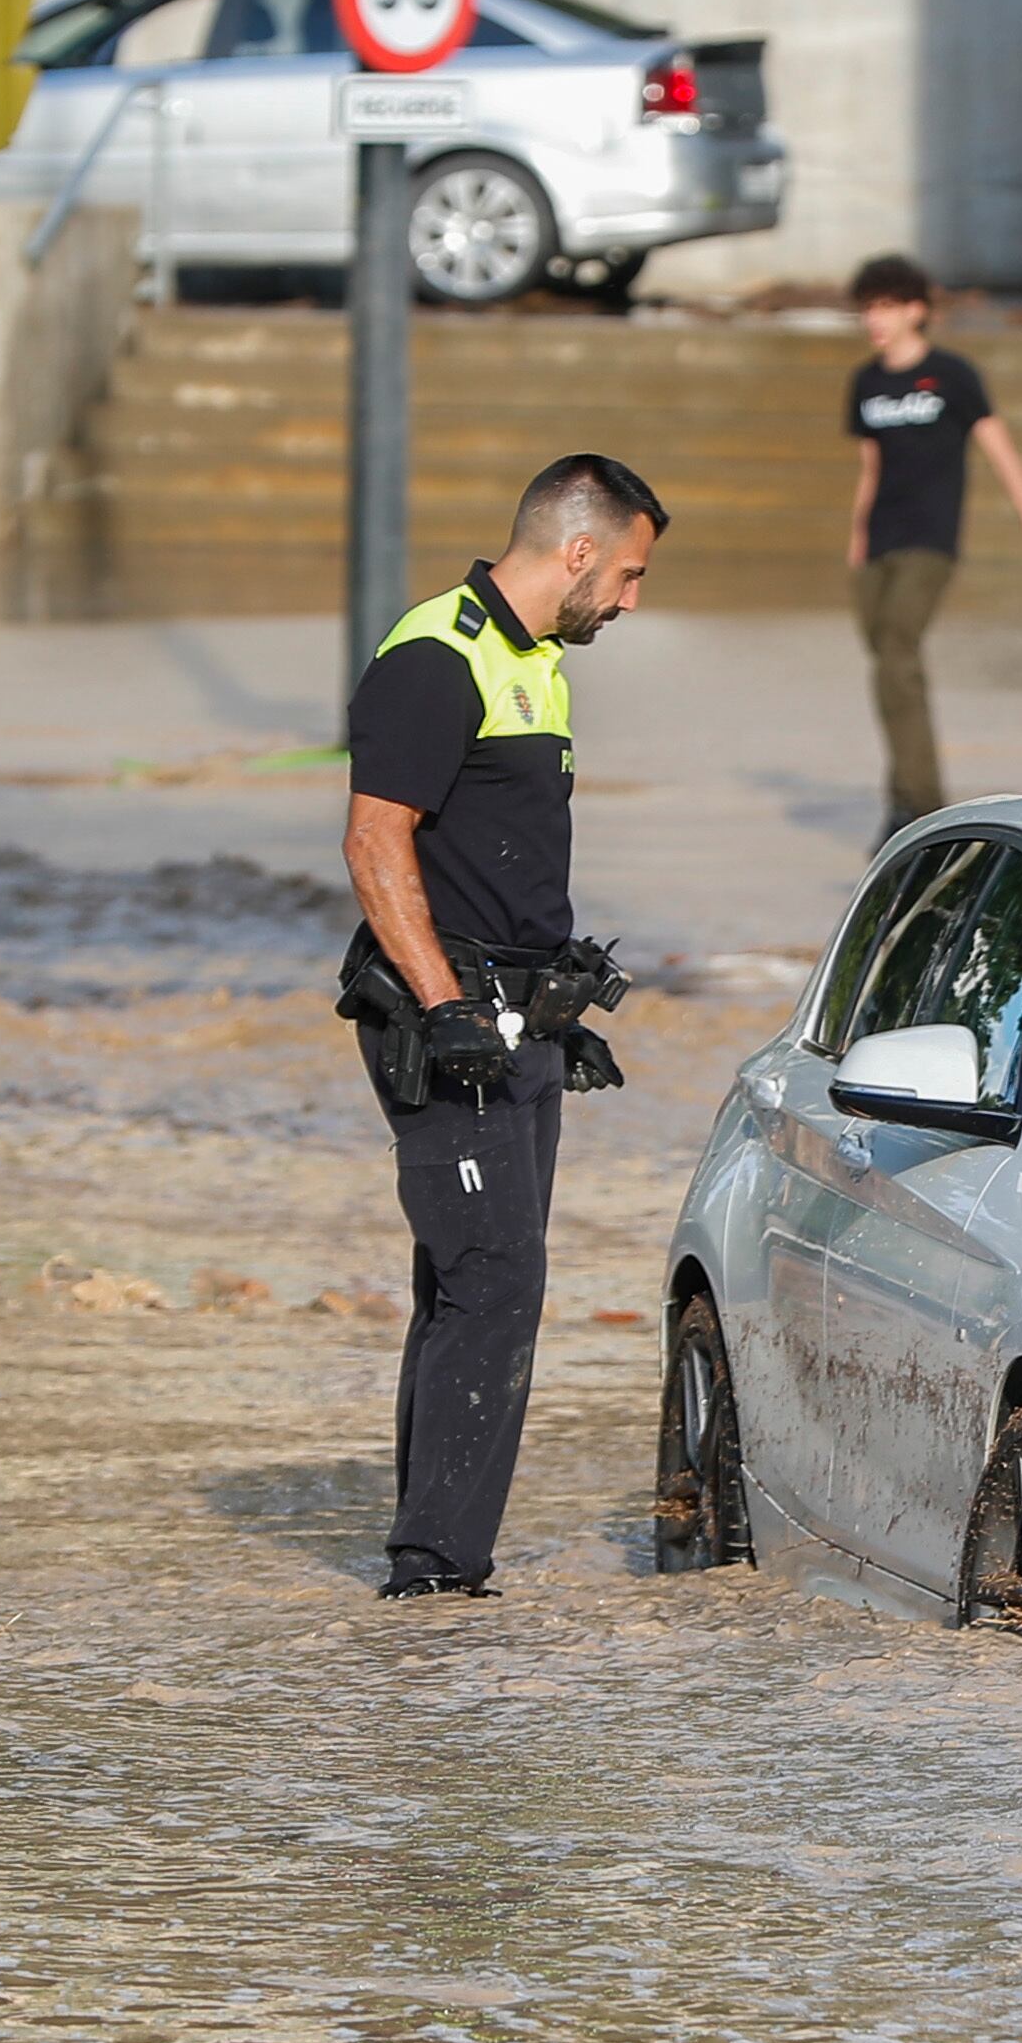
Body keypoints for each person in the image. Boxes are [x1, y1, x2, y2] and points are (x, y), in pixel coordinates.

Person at [341, 454, 666, 1599]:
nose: (629, 601)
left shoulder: (536, 662)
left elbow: (500, 859)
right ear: (574, 550)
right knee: (493, 1280)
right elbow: (375, 845)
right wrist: (446, 1007)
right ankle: (435, 1581)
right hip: (445, 1020)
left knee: (472, 1281)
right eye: (624, 575)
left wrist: (554, 999)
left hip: (519, 1018)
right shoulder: (437, 656)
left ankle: (433, 1558)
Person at [845, 253, 1022, 833]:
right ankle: (903, 791)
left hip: (930, 539)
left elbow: (1005, 458)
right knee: (889, 664)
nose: (876, 320)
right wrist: (855, 539)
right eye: (869, 309)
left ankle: (919, 805)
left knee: (898, 648)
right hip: (878, 542)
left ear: (915, 311)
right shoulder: (867, 382)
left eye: (888, 308)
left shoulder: (953, 376)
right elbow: (870, 468)